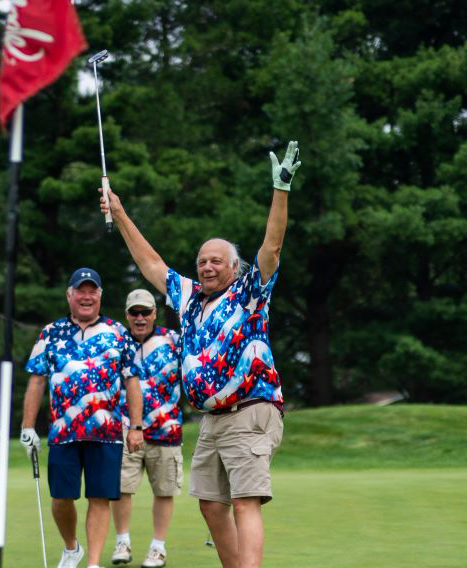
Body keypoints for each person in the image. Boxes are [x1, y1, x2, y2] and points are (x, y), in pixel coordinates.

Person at [99, 142, 302, 568]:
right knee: (211, 506)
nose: (207, 266)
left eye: (216, 261)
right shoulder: (190, 299)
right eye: (201, 261)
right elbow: (151, 263)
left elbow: (272, 248)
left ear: (233, 267)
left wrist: (280, 190)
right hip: (212, 419)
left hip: (250, 410)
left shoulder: (249, 293)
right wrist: (119, 215)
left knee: (245, 503)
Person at [20, 268, 146, 568]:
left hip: (107, 432)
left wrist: (137, 427)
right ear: (69, 295)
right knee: (61, 499)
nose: (86, 296)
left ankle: (91, 562)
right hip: (64, 431)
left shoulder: (118, 333)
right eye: (80, 290)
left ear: (100, 296)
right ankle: (71, 546)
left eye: (92, 291)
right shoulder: (50, 333)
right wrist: (27, 426)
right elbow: (37, 380)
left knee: (100, 499)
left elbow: (132, 382)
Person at [111, 289, 183, 568]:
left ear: (154, 313)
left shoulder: (173, 340)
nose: (140, 318)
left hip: (166, 429)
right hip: (124, 428)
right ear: (127, 315)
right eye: (134, 313)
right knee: (121, 488)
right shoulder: (116, 342)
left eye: (145, 312)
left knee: (164, 491)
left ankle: (157, 548)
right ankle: (123, 542)